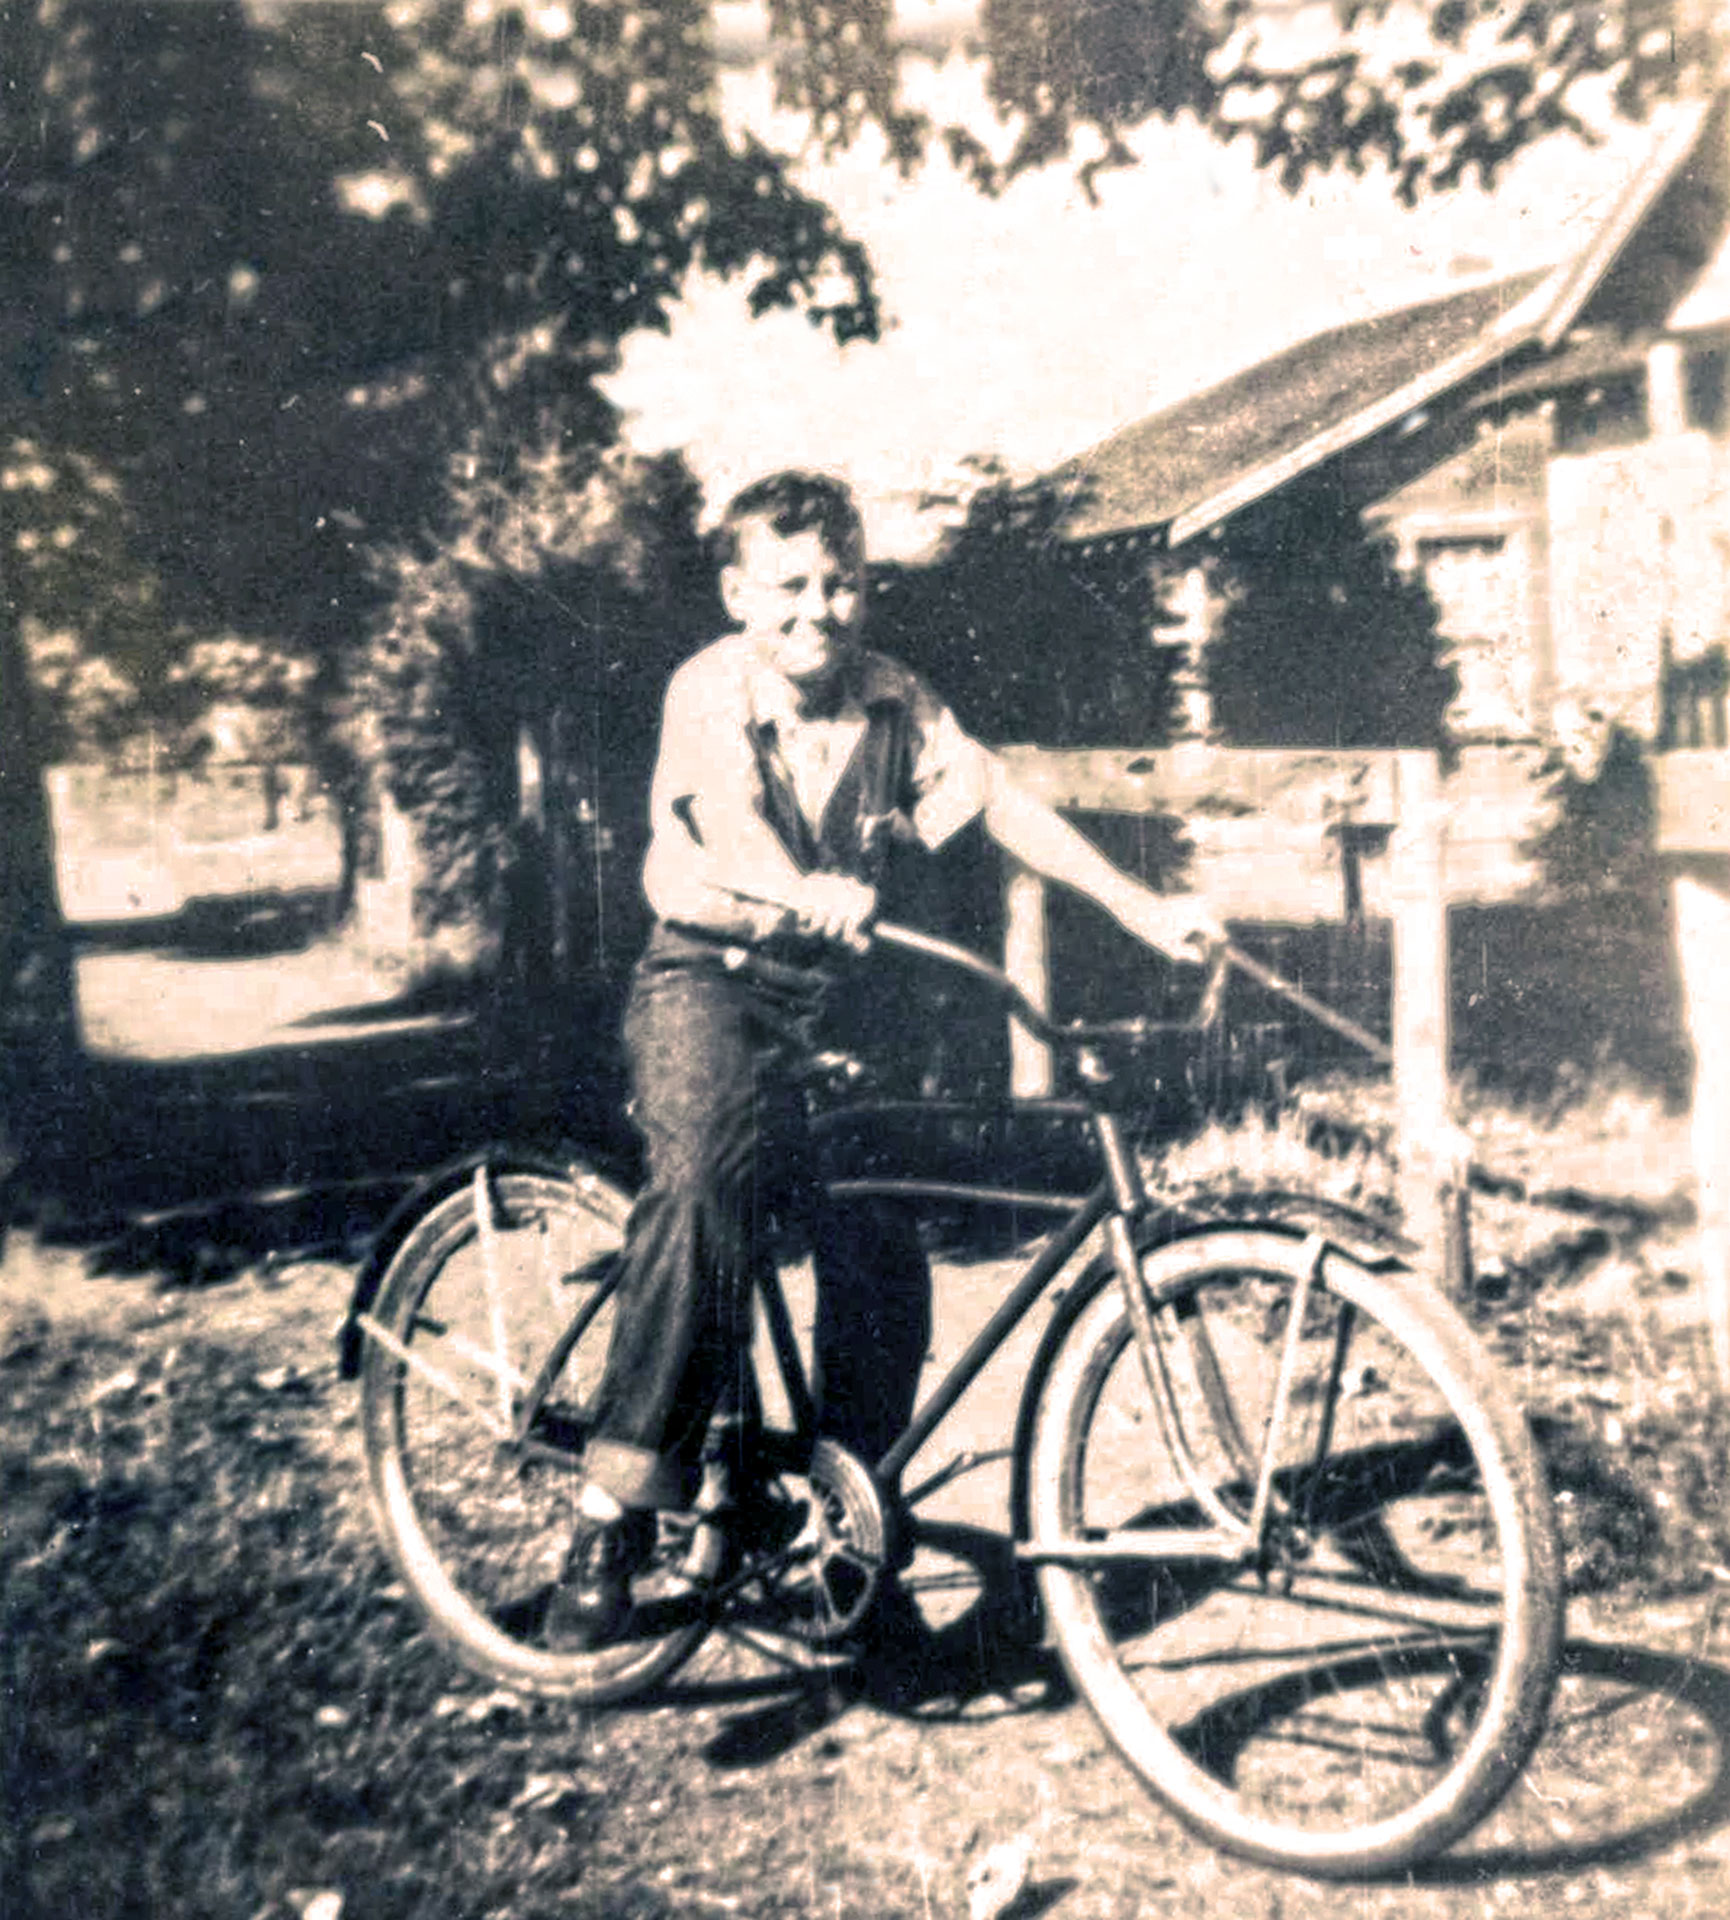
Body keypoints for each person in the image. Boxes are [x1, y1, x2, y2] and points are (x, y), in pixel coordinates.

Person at [559, 470, 1224, 1645]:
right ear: (734, 592)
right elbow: (723, 823)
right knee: (705, 1183)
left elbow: (1001, 804)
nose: (816, 612)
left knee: (879, 1232)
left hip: (829, 1000)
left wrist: (1136, 908)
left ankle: (840, 1540)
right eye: (786, 588)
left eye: (839, 584)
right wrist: (797, 885)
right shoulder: (707, 687)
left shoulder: (894, 699)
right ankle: (613, 1502)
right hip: (707, 978)